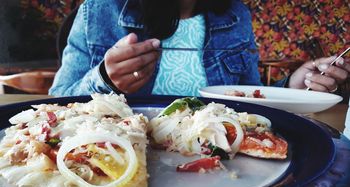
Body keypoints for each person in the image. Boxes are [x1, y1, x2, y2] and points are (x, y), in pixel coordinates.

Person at [49, 0, 350, 97]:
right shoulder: (100, 9)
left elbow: (249, 100)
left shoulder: (235, 14)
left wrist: (295, 86)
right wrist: (104, 79)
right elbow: (57, 100)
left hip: (216, 166)